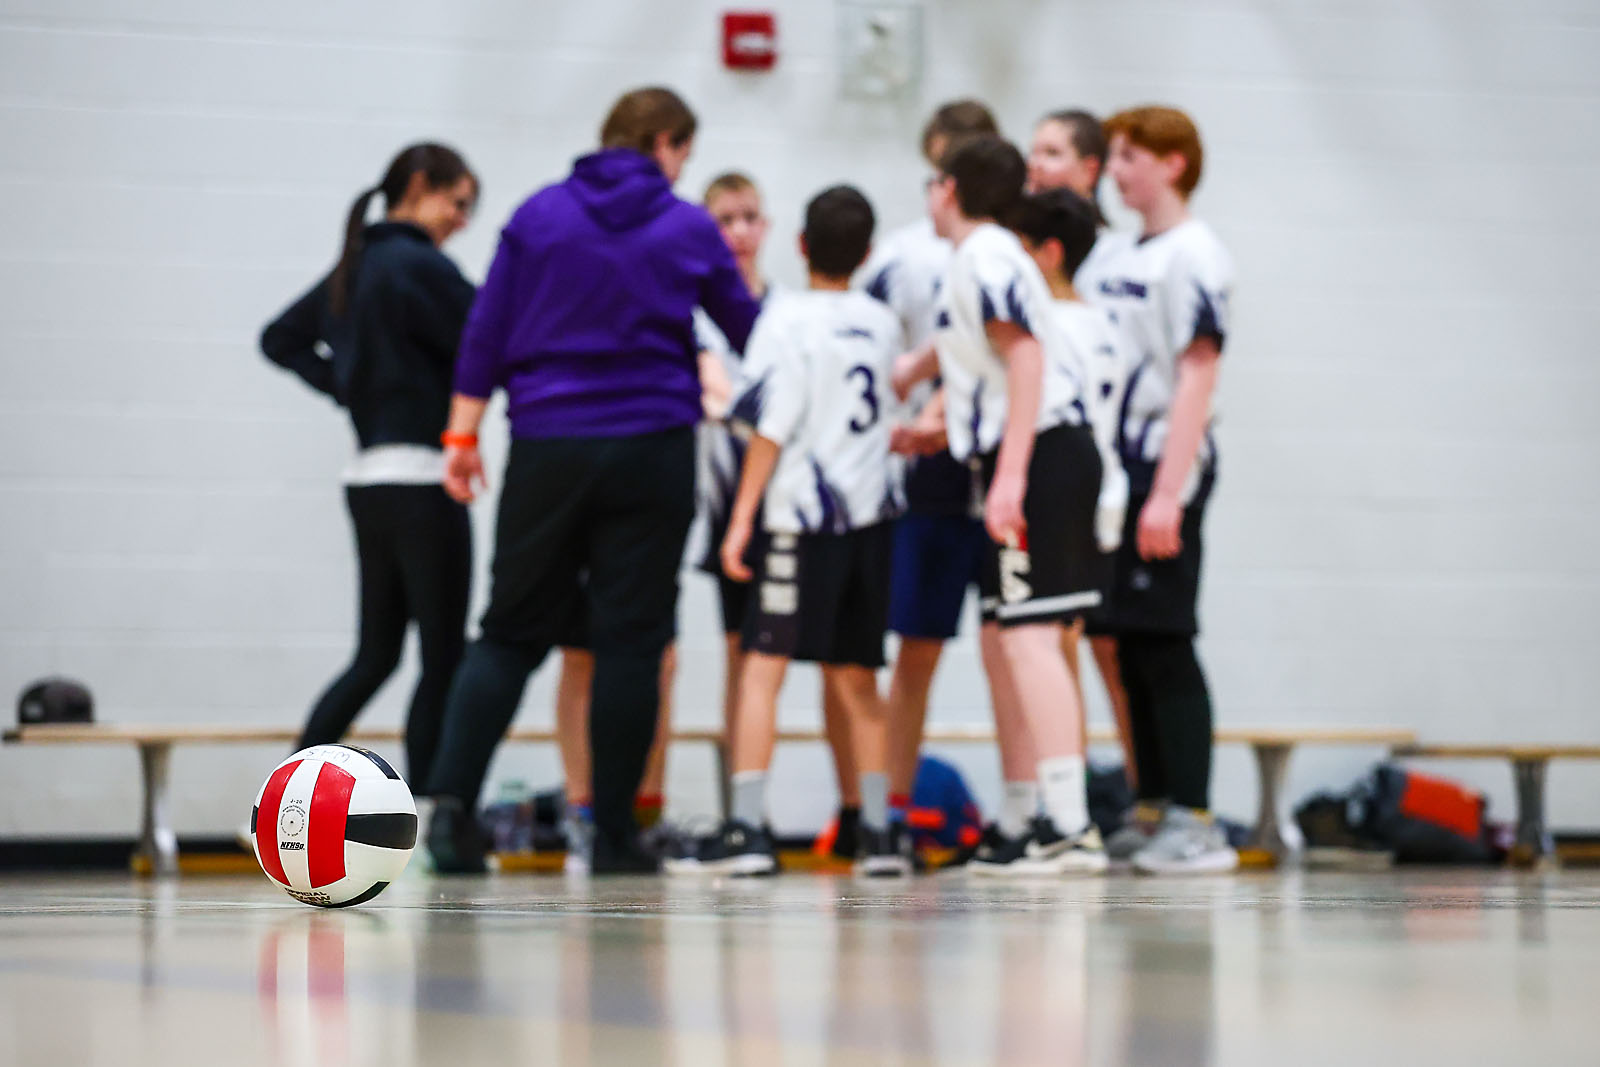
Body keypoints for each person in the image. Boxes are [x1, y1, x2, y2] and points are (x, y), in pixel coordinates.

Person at [423, 87, 763, 874]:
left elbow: (487, 331)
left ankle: (448, 812)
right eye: (685, 155)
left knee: (508, 633)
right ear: (667, 144)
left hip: (549, 444)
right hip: (652, 446)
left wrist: (461, 433)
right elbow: (746, 328)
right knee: (633, 643)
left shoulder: (539, 215)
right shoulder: (686, 225)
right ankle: (613, 832)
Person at [666, 186, 906, 877]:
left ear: (799, 243)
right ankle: (880, 833)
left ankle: (747, 828)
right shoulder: (882, 322)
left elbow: (769, 425)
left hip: (800, 517)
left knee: (760, 671)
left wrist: (739, 519)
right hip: (871, 520)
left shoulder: (785, 318)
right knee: (859, 676)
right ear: (865, 253)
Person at [915, 135, 1109, 874]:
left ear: (953, 188)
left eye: (934, 182)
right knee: (1010, 638)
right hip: (1024, 453)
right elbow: (994, 371)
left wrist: (1011, 476)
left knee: (1031, 637)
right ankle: (1031, 813)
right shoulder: (982, 258)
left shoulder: (988, 255)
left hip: (1042, 456)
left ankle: (1068, 820)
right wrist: (934, 426)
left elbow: (1026, 359)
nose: (929, 195)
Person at [259, 143, 479, 793]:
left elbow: (280, 338)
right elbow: (492, 337)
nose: (463, 219)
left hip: (367, 482)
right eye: (459, 202)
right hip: (424, 480)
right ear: (419, 186)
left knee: (376, 655)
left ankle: (284, 797)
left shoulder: (354, 267)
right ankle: (436, 811)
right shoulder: (424, 267)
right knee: (442, 658)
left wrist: (346, 385)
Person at [1076, 106, 1238, 874]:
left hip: (1158, 463)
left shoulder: (1195, 255)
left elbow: (1197, 373)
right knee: (1125, 639)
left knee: (1166, 637)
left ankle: (1195, 815)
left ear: (1174, 163)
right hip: (1112, 466)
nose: (1117, 169)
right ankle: (1149, 802)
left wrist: (1167, 492)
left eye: (1130, 155)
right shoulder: (1112, 253)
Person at [692, 173, 866, 857]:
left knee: (838, 661)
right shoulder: (698, 314)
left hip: (802, 505)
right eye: (724, 219)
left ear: (770, 229)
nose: (738, 231)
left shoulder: (793, 310)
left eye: (749, 218)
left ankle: (859, 810)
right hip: (734, 497)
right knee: (745, 657)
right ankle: (745, 814)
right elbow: (723, 401)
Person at [857, 100, 1000, 853]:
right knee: (913, 648)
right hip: (930, 472)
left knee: (1023, 646)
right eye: (943, 169)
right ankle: (892, 814)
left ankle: (1036, 809)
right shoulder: (902, 258)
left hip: (1006, 463)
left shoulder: (1012, 252)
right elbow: (878, 362)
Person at [1026, 110, 1144, 800]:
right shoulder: (1087, 311)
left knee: (1073, 640)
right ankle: (1072, 793)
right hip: (1097, 477)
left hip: (1077, 473)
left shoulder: (1070, 302)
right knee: (1064, 637)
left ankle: (1085, 797)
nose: (1037, 160)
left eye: (1051, 151)